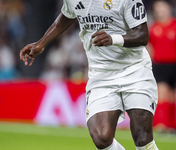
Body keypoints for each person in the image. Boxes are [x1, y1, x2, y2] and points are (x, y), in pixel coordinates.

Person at [20, 0, 159, 149]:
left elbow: (143, 35)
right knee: (101, 138)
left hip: (134, 70)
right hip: (101, 74)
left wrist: (113, 39)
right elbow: (67, 15)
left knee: (142, 137)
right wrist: (41, 43)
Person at [148, 0, 176, 131]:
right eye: (157, 8)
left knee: (172, 95)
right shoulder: (153, 27)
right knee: (162, 92)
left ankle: (172, 125)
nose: (160, 10)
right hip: (158, 65)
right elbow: (149, 47)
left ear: (168, 9)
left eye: (162, 8)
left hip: (173, 65)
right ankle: (160, 124)